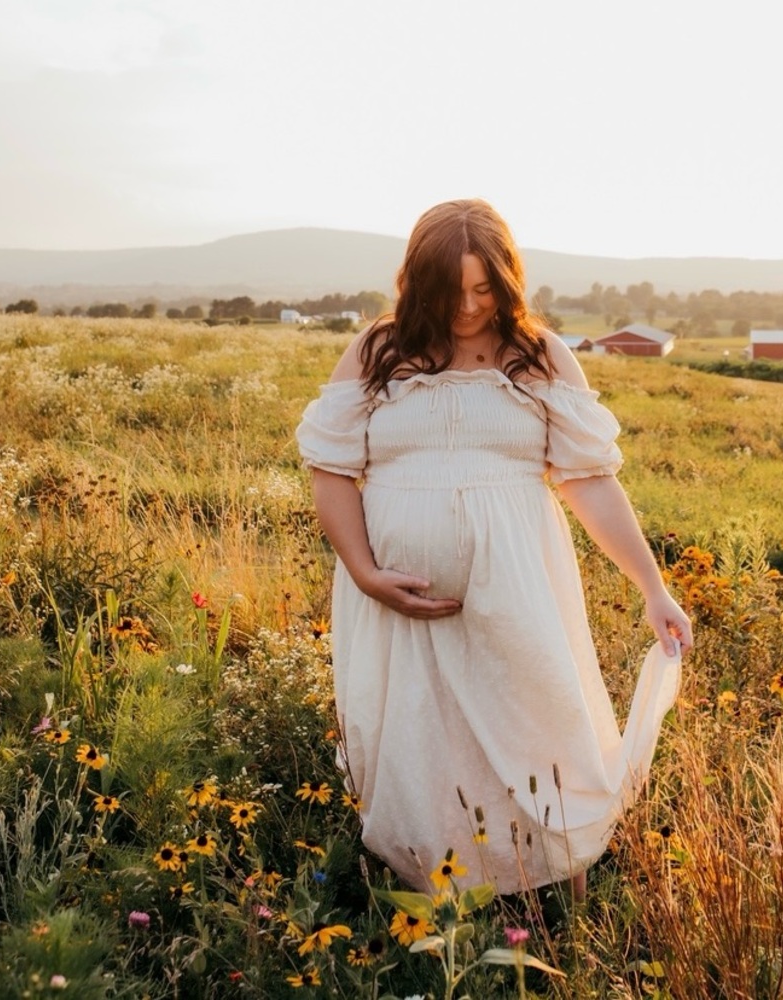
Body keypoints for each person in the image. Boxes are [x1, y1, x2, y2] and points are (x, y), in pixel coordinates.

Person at [296, 199, 692, 898]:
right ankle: (433, 888)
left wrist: (652, 587)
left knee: (538, 720)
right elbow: (331, 471)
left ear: (507, 281)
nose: (470, 307)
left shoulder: (539, 356)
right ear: (418, 282)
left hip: (518, 588)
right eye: (452, 292)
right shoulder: (377, 350)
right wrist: (363, 572)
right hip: (396, 593)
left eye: (485, 289)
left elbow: (590, 483)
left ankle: (549, 883)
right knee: (418, 733)